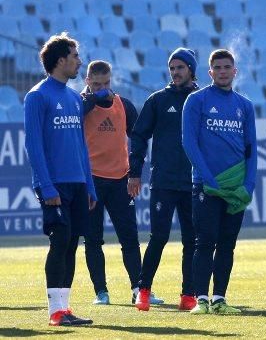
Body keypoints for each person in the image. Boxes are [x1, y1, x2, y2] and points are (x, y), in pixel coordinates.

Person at [24, 32, 95, 326]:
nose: (79, 61)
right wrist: (46, 185)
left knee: (71, 243)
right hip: (54, 184)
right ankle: (55, 311)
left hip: (78, 183)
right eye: (75, 56)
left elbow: (80, 144)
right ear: (61, 60)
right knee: (60, 240)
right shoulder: (37, 96)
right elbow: (33, 145)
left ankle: (65, 308)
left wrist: (89, 184)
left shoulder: (74, 98)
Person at [182, 49, 257, 314]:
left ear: (235, 71)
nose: (223, 71)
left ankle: (220, 299)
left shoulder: (245, 106)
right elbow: (189, 142)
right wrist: (207, 177)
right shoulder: (196, 100)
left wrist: (249, 184)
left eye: (227, 67)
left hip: (235, 186)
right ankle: (201, 299)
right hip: (206, 185)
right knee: (204, 241)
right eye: (218, 67)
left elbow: (251, 149)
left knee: (227, 244)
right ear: (210, 72)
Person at [129, 48, 200, 311]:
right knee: (158, 237)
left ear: (191, 69)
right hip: (164, 182)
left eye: (180, 67)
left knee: (192, 240)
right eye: (172, 68)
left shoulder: (202, 99)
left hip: (194, 182)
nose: (175, 72)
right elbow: (138, 136)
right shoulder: (158, 100)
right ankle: (143, 290)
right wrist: (134, 172)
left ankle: (188, 295)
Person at [80, 60, 143, 305]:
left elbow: (137, 140)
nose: (102, 88)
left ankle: (139, 289)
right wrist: (91, 100)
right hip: (92, 182)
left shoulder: (123, 105)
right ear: (87, 82)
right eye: (96, 84)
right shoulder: (80, 105)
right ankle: (101, 292)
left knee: (129, 238)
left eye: (106, 83)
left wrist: (135, 172)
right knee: (93, 240)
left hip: (120, 181)